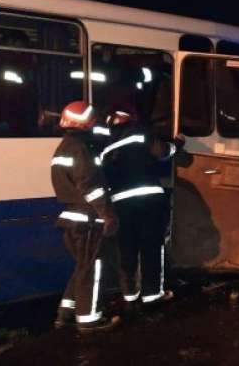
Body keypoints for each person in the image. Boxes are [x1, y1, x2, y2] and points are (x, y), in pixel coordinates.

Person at [51, 101, 120, 333]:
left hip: (72, 218)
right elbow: (91, 187)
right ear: (86, 123)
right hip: (88, 220)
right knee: (92, 269)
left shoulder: (64, 147)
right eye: (93, 122)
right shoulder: (81, 149)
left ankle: (66, 313)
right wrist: (108, 214)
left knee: (83, 267)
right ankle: (89, 320)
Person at [101, 109, 178, 311]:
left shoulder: (106, 148)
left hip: (120, 205)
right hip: (147, 202)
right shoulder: (140, 134)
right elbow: (163, 151)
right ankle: (152, 295)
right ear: (130, 121)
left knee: (127, 249)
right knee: (151, 247)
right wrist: (176, 144)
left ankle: (130, 295)